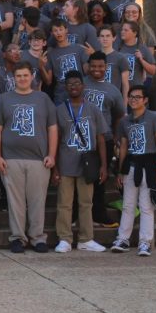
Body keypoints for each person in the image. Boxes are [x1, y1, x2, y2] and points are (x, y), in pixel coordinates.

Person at [0, 61, 58, 253]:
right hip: (11, 158)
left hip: (38, 159)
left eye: (25, 75)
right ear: (13, 78)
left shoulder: (43, 98)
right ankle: (18, 237)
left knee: (37, 200)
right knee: (15, 201)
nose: (22, 79)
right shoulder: (4, 99)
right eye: (18, 75)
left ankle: (37, 238)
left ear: (32, 77)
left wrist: (51, 155)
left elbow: (52, 128)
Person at [51, 71, 108, 253]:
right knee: (64, 203)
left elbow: (100, 139)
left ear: (83, 86)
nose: (73, 86)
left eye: (77, 83)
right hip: (66, 163)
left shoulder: (93, 109)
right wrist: (55, 168)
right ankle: (65, 239)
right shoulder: (59, 110)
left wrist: (104, 165)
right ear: (65, 87)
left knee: (86, 203)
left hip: (87, 164)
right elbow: (56, 139)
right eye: (70, 84)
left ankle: (86, 238)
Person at [111, 85, 156, 257]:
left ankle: (145, 242)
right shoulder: (124, 121)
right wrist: (120, 171)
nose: (133, 100)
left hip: (149, 164)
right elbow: (124, 146)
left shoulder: (154, 118)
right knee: (128, 205)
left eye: (137, 97)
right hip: (131, 165)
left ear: (145, 100)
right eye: (131, 97)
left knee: (146, 205)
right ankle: (123, 239)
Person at [83, 52, 126, 228]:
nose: (96, 69)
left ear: (106, 67)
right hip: (81, 138)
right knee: (79, 178)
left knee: (100, 179)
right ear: (88, 66)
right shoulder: (81, 84)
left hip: (105, 139)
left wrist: (115, 136)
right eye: (93, 66)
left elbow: (119, 115)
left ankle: (98, 214)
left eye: (100, 66)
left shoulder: (112, 90)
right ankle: (78, 215)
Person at [117, 20, 156, 89]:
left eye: (126, 30)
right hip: (119, 90)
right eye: (122, 30)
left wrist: (141, 60)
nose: (122, 32)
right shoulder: (117, 47)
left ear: (134, 33)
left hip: (136, 90)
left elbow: (153, 70)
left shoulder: (142, 48)